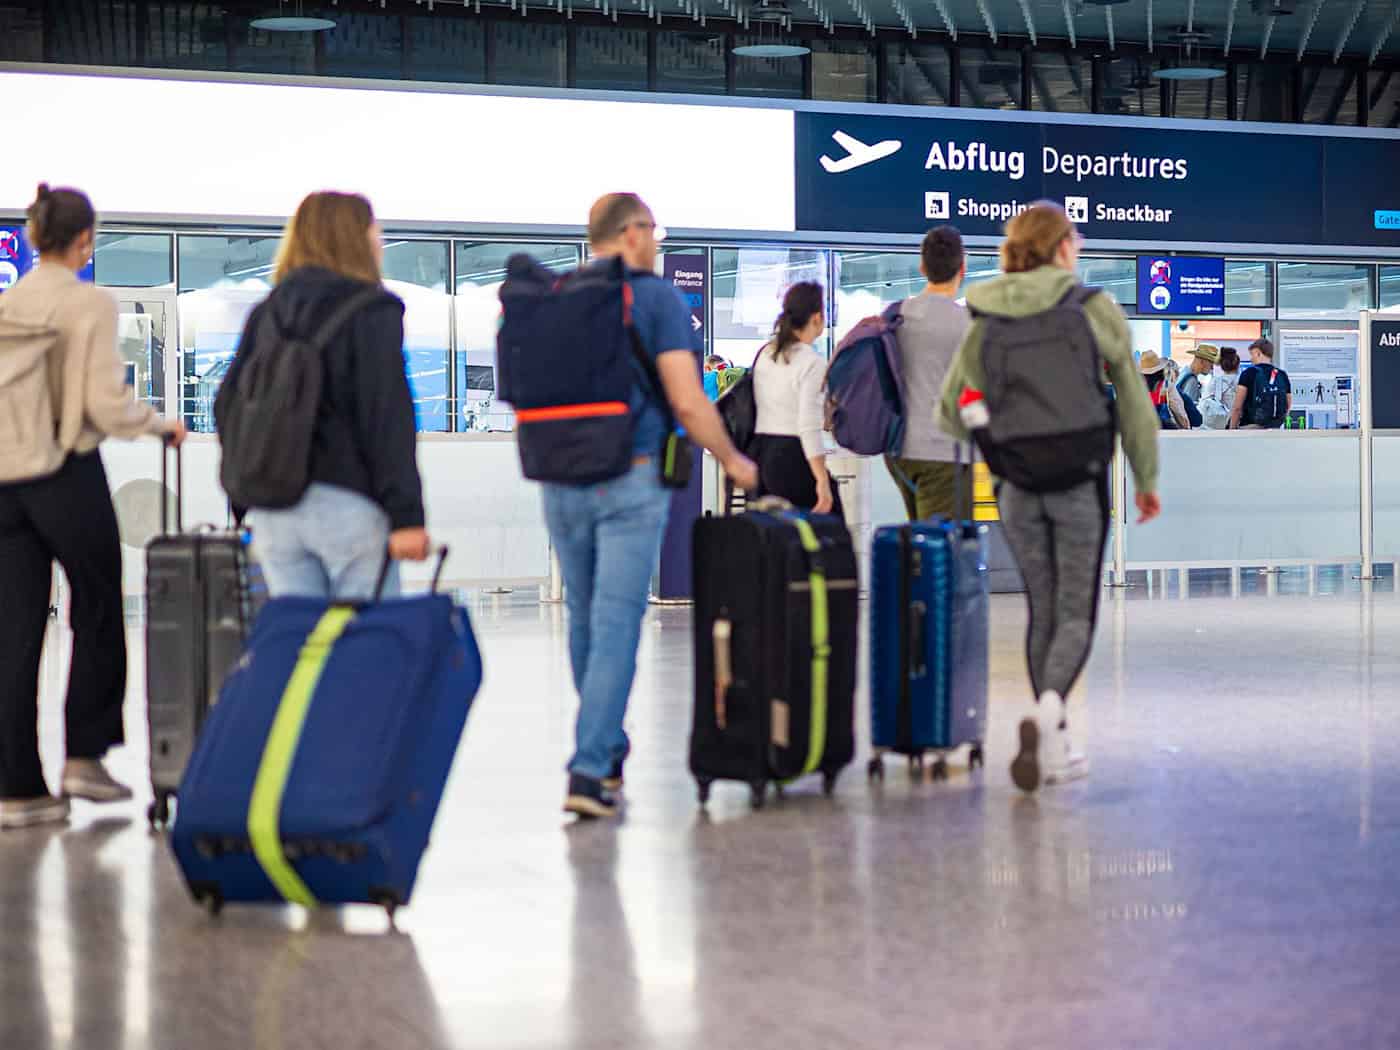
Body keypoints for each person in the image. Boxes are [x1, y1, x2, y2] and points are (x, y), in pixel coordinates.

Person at [938, 201, 1160, 793]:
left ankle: (1055, 740)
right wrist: (1145, 478)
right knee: (1076, 612)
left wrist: (991, 432)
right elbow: (1134, 400)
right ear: (1062, 247)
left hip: (1016, 484)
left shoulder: (986, 317)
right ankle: (1050, 711)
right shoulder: (1093, 309)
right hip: (1079, 478)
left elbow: (951, 407)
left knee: (1041, 605)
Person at [546, 193, 757, 819]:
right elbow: (690, 404)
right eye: (654, 232)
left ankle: (604, 748)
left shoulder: (557, 297)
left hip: (559, 479)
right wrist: (733, 460)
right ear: (632, 234)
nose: (658, 244)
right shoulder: (655, 298)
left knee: (586, 621)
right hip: (629, 477)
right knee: (614, 624)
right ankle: (588, 770)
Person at [0, 183, 188, 829]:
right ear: (85, 240)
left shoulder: (10, 302)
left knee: (15, 634)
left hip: (3, 480)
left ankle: (19, 788)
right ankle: (84, 753)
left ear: (31, 237)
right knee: (100, 601)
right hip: (63, 470)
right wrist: (159, 425)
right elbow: (104, 405)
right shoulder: (88, 303)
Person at [216, 192, 431, 600]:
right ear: (354, 238)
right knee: (365, 649)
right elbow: (385, 415)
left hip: (275, 512)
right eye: (374, 230)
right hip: (346, 506)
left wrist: (245, 499)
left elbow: (227, 405)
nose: (380, 241)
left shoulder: (269, 311)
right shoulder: (372, 310)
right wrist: (407, 517)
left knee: (305, 651)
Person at [885, 225, 972, 521]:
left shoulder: (895, 316)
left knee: (920, 540)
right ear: (963, 267)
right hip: (943, 452)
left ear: (922, 267)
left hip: (899, 452)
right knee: (942, 551)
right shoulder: (967, 325)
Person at [750, 281, 842, 516]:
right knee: (828, 532)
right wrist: (821, 479)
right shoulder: (811, 362)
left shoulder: (766, 353)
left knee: (777, 538)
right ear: (817, 318)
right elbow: (807, 425)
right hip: (794, 457)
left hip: (763, 458)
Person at [1229, 337, 1292, 430]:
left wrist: (1232, 429)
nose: (1251, 359)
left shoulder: (1248, 373)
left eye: (1252, 354)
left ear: (1258, 353)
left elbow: (1237, 408)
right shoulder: (1282, 375)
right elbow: (1288, 405)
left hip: (1250, 428)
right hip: (1275, 429)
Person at [1140, 351, 1192, 430]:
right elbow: (1178, 410)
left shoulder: (1135, 388)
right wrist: (1186, 427)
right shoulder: (1167, 387)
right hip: (1164, 430)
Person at [1199, 346, 1240, 430]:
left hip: (1218, 425)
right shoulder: (1243, 381)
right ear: (1237, 364)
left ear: (1221, 365)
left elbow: (1204, 405)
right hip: (1239, 424)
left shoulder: (1215, 382)